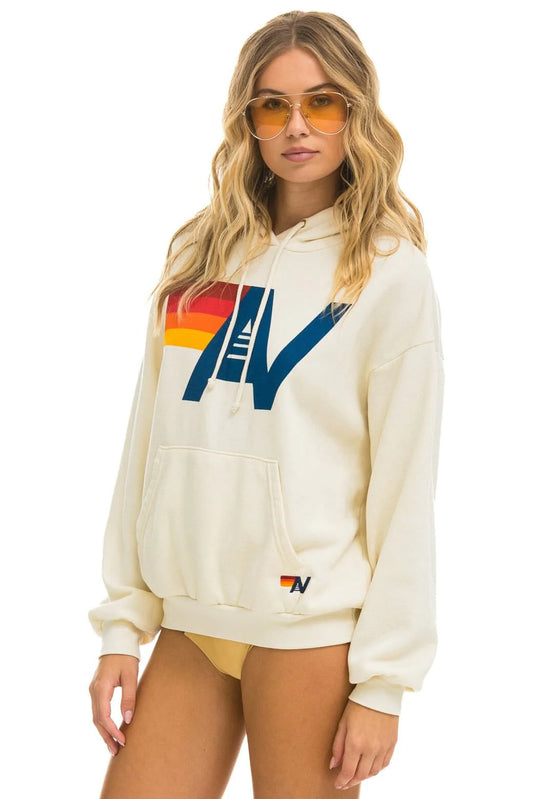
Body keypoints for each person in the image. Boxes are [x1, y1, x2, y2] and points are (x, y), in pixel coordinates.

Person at [88, 9, 445, 798]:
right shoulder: (200, 255)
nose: (296, 126)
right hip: (190, 621)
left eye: (321, 102)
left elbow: (404, 485)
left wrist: (383, 683)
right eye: (271, 105)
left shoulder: (387, 273)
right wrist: (122, 624)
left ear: (355, 111)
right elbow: (147, 443)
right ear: (246, 120)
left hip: (306, 631)